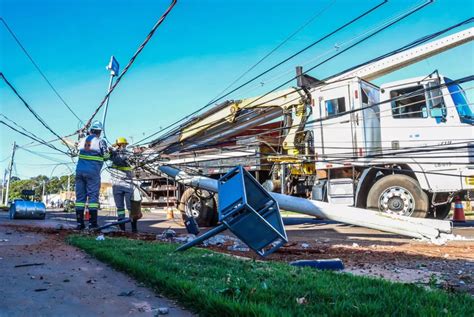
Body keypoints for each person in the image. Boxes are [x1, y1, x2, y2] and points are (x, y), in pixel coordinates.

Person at [74, 121, 109, 230]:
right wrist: (111, 152)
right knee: (93, 198)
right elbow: (106, 156)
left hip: (79, 172)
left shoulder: (82, 140)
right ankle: (92, 224)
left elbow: (77, 148)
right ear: (99, 132)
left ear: (91, 130)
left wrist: (80, 134)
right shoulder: (100, 142)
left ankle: (80, 224)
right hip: (92, 173)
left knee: (80, 198)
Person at [109, 137, 138, 232]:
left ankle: (134, 229)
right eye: (119, 145)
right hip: (117, 185)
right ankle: (122, 230)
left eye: (122, 145)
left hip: (127, 184)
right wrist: (110, 151)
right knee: (120, 208)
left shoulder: (128, 154)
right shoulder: (113, 154)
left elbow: (120, 161)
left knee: (130, 207)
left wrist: (113, 152)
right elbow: (106, 157)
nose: (121, 146)